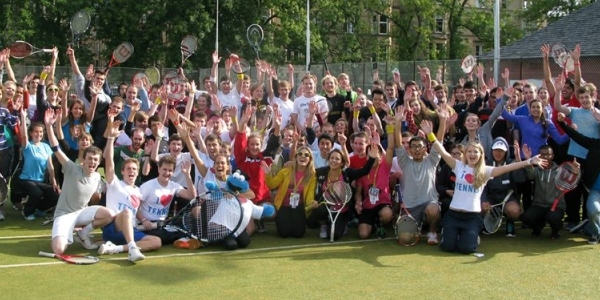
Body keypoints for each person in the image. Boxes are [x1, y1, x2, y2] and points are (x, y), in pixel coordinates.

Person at [420, 114, 547, 254]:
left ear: (481, 155)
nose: (472, 154)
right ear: (465, 153)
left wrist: (529, 161)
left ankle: (471, 237)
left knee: (466, 249)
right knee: (447, 247)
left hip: (472, 217)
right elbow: (441, 151)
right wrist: (430, 134)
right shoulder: (458, 166)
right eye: (469, 151)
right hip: (454, 215)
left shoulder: (485, 171)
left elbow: (508, 167)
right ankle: (454, 234)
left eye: (476, 152)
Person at [44, 109, 115, 255]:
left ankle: (83, 234)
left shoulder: (96, 178)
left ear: (98, 162)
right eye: (90, 159)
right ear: (84, 160)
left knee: (109, 214)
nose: (92, 162)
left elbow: (95, 199)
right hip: (64, 214)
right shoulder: (71, 167)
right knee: (59, 249)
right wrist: (49, 126)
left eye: (95, 160)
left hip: (81, 213)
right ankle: (63, 232)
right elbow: (56, 148)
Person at [96, 120, 161, 262]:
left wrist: (144, 220)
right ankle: (132, 248)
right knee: (126, 212)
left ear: (137, 173)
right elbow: (109, 162)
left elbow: (135, 210)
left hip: (130, 230)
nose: (131, 171)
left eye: (134, 169)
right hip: (113, 228)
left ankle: (115, 248)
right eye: (129, 169)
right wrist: (111, 138)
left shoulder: (138, 191)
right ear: (122, 172)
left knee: (156, 242)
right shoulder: (115, 183)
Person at [309, 143, 379, 241]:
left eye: (337, 159)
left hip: (342, 210)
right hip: (325, 206)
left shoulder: (347, 173)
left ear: (342, 163)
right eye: (332, 158)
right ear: (328, 160)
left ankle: (343, 225)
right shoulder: (321, 171)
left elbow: (364, 171)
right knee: (315, 214)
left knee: (333, 236)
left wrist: (372, 157)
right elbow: (307, 171)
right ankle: (324, 224)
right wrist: (291, 163)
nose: (334, 161)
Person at [137, 155, 197, 245]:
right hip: (147, 224)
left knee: (186, 222)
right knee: (164, 236)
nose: (167, 173)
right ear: (159, 169)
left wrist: (187, 175)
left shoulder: (174, 186)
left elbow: (192, 196)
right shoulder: (147, 186)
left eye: (170, 170)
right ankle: (181, 238)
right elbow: (135, 207)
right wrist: (144, 220)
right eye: (164, 169)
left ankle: (181, 239)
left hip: (163, 223)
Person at [262, 146, 316, 238]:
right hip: (283, 206)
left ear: (310, 159)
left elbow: (309, 197)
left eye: (306, 155)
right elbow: (271, 185)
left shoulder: (312, 176)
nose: (303, 156)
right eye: (300, 154)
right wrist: (268, 174)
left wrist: (312, 204)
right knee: (284, 234)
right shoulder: (285, 171)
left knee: (298, 234)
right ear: (295, 157)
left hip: (298, 207)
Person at [520, 144, 570, 239]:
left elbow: (570, 180)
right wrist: (528, 160)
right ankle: (538, 227)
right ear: (539, 156)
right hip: (539, 205)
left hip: (556, 206)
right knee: (525, 217)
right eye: (542, 154)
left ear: (553, 156)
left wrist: (575, 172)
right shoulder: (537, 170)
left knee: (553, 218)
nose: (546, 157)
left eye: (548, 154)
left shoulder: (561, 170)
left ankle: (556, 231)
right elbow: (530, 176)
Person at [18, 109, 59, 221]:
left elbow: (50, 166)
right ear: (31, 133)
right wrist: (23, 117)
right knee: (37, 193)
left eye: (41, 132)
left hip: (40, 181)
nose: (38, 134)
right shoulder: (28, 146)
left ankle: (38, 209)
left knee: (56, 195)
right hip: (26, 180)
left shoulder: (46, 146)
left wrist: (54, 181)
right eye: (36, 132)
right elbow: (24, 137)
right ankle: (27, 212)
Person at [480, 137, 525, 237]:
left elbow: (520, 180)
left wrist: (518, 161)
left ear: (506, 151)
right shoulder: (486, 165)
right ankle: (488, 221)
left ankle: (510, 222)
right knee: (480, 207)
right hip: (491, 198)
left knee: (514, 210)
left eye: (501, 150)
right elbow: (482, 186)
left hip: (508, 198)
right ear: (492, 150)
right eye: (495, 150)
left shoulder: (512, 163)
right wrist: (483, 200)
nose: (498, 153)